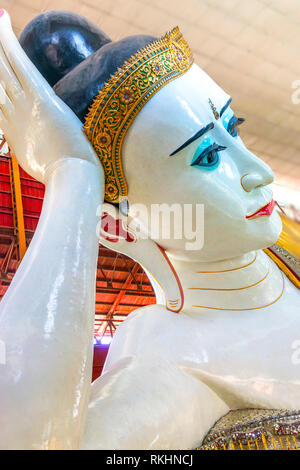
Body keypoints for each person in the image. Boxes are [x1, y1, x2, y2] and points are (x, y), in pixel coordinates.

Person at [0, 9, 299, 450]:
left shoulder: (286, 244)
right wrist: (74, 174)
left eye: (233, 127)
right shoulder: (172, 363)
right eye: (207, 157)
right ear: (117, 228)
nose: (258, 172)